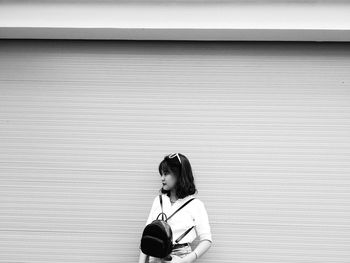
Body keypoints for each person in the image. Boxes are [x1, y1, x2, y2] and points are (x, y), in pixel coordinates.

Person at [138, 153, 213, 263]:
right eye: (161, 173)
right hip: (155, 257)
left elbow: (207, 240)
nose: (162, 178)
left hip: (180, 257)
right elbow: (147, 237)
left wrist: (186, 260)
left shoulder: (195, 204)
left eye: (166, 173)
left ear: (180, 174)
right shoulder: (159, 201)